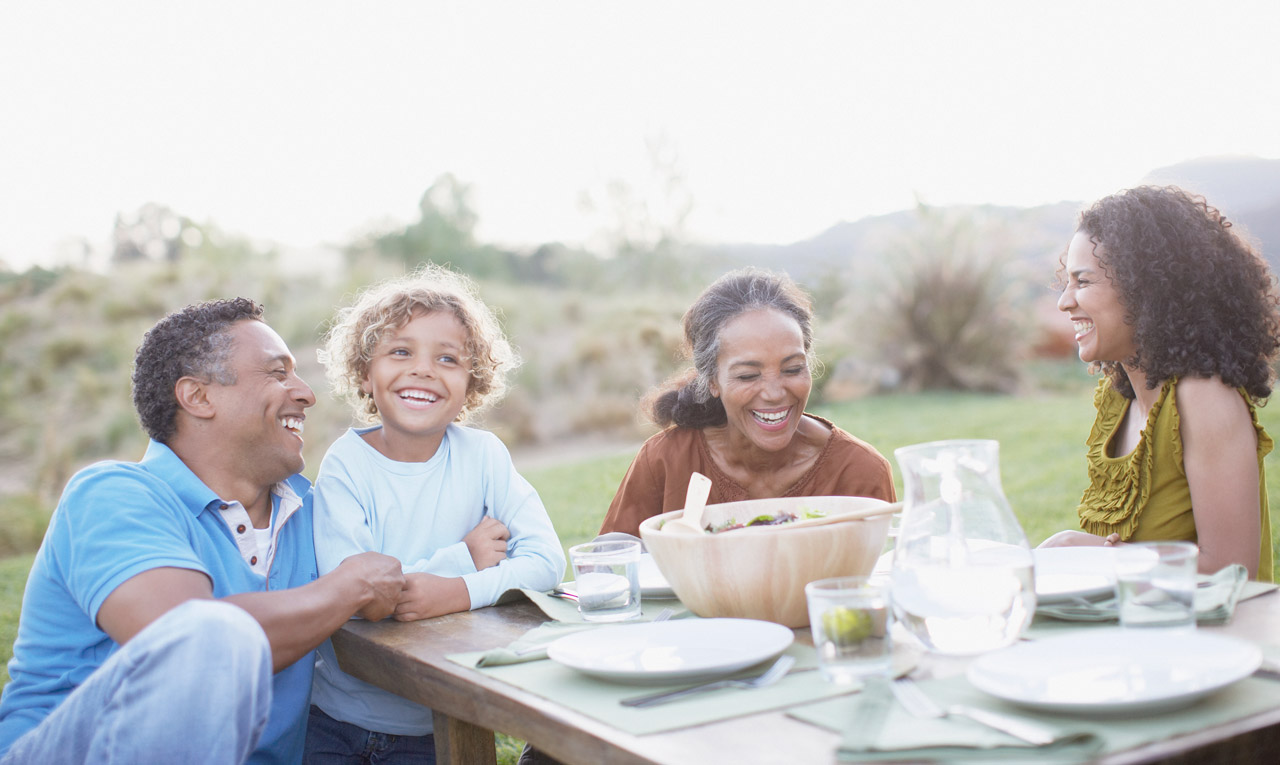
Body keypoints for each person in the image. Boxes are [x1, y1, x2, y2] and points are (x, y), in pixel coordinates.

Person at [0, 298, 405, 765]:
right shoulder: (113, 494)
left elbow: (404, 571)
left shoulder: (314, 510)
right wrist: (346, 589)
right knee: (210, 633)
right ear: (198, 397)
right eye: (277, 373)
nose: (305, 393)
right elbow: (186, 644)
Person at [305, 265, 565, 764]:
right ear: (365, 372)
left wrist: (454, 593)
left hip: (440, 721)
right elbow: (357, 598)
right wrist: (461, 560)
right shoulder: (346, 465)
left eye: (447, 358)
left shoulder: (484, 456)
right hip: (338, 721)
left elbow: (547, 561)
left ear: (472, 383)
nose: (423, 369)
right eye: (400, 351)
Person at [1042, 186, 1279, 580]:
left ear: (1145, 290)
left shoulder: (1203, 398)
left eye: (1082, 282)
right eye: (1067, 282)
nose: (1064, 302)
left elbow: (1231, 572)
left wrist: (1083, 551)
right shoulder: (1118, 399)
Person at [599, 267, 895, 536]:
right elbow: (611, 569)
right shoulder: (665, 462)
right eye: (748, 376)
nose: (774, 392)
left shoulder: (859, 473)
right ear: (713, 381)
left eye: (792, 369)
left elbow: (879, 581)